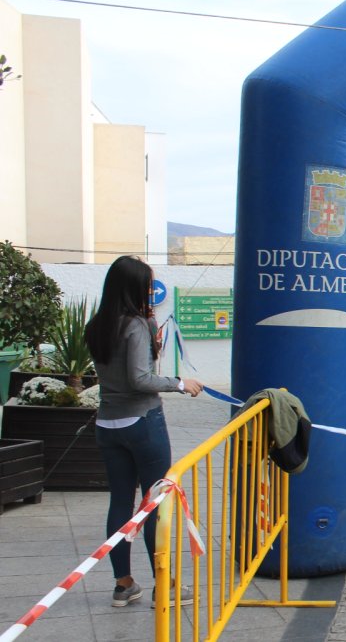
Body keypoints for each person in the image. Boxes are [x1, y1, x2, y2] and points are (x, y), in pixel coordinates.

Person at [84, 255, 204, 607]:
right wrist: (181, 383)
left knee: (120, 502)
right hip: (142, 423)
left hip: (108, 424)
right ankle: (164, 587)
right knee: (155, 505)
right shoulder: (135, 325)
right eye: (148, 286)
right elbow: (140, 379)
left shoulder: (96, 325)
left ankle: (123, 584)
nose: (151, 293)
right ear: (135, 287)